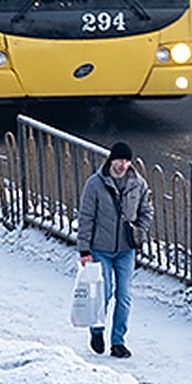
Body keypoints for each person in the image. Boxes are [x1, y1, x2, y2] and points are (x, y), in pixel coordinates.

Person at [77, 140, 153, 358]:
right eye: (119, 160)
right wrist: (84, 249)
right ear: (111, 160)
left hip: (126, 250)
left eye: (127, 161)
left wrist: (139, 229)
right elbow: (86, 217)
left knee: (125, 295)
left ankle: (118, 342)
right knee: (105, 292)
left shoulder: (137, 184)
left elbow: (147, 210)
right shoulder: (95, 184)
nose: (123, 165)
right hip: (100, 248)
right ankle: (97, 330)